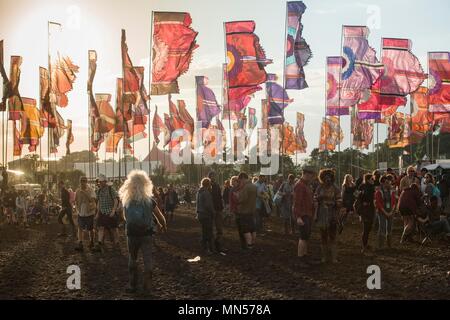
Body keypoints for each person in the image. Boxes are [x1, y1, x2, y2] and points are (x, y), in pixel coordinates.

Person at [119, 170, 167, 294]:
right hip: (147, 233)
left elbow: (125, 217)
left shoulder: (127, 201)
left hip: (132, 234)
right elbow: (159, 215)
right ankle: (147, 286)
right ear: (146, 184)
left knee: (132, 258)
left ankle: (132, 284)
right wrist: (163, 225)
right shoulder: (149, 201)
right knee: (147, 259)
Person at [315, 169, 342, 263]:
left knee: (333, 236)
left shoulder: (336, 188)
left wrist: (335, 204)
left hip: (333, 214)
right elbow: (315, 198)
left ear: (332, 178)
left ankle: (334, 258)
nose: (328, 179)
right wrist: (319, 198)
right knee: (323, 236)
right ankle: (324, 257)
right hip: (322, 214)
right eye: (326, 177)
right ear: (322, 177)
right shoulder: (319, 188)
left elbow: (339, 200)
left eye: (329, 177)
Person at [293, 167, 316, 263]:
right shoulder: (300, 185)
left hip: (308, 214)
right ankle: (300, 259)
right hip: (303, 214)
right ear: (306, 174)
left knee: (306, 236)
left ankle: (304, 256)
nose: (312, 177)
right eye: (311, 175)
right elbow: (297, 202)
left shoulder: (306, 185)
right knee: (303, 237)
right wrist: (298, 217)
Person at [96, 174, 120, 249]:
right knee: (101, 227)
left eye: (101, 182)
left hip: (110, 212)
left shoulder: (110, 189)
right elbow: (99, 202)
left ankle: (117, 243)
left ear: (105, 182)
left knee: (114, 229)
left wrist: (113, 211)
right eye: (99, 182)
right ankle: (99, 243)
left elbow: (116, 200)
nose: (100, 183)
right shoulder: (99, 191)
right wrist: (98, 213)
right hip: (102, 212)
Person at [74, 176, 97, 251]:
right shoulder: (77, 191)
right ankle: (80, 243)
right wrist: (77, 209)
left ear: (86, 182)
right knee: (80, 228)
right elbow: (76, 200)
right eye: (81, 181)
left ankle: (92, 241)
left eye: (84, 181)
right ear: (79, 182)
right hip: (81, 212)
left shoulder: (91, 190)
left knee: (90, 229)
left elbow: (92, 200)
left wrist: (85, 193)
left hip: (89, 212)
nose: (82, 182)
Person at [236, 172, 257, 250]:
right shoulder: (254, 187)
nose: (240, 182)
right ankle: (253, 244)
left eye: (240, 180)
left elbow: (242, 199)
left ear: (243, 178)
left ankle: (249, 245)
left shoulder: (246, 187)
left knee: (246, 230)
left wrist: (238, 196)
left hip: (244, 211)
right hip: (252, 210)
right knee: (253, 229)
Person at [375, 175, 397, 249]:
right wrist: (386, 212)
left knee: (390, 228)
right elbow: (378, 203)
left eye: (389, 182)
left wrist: (391, 211)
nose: (389, 184)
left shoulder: (391, 191)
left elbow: (394, 201)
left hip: (390, 210)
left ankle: (389, 245)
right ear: (383, 183)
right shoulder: (378, 192)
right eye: (387, 182)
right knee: (382, 227)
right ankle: (380, 246)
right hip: (382, 212)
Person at [356, 173, 376, 254]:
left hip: (371, 208)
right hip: (365, 209)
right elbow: (356, 195)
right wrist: (361, 201)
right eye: (372, 179)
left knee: (369, 227)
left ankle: (365, 243)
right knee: (366, 227)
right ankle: (364, 246)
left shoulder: (372, 187)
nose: (373, 180)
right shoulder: (362, 186)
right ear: (368, 179)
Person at [196, 178, 215, 255]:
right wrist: (212, 212)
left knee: (204, 231)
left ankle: (206, 248)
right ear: (209, 184)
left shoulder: (199, 192)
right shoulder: (206, 193)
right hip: (206, 214)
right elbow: (208, 205)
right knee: (208, 232)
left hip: (200, 214)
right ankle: (208, 249)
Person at [208, 172, 225, 253]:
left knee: (219, 229)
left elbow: (219, 197)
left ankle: (219, 246)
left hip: (218, 209)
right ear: (209, 177)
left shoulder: (217, 185)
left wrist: (221, 207)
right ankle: (211, 247)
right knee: (211, 229)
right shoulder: (207, 187)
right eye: (212, 176)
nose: (213, 177)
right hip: (211, 210)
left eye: (214, 176)